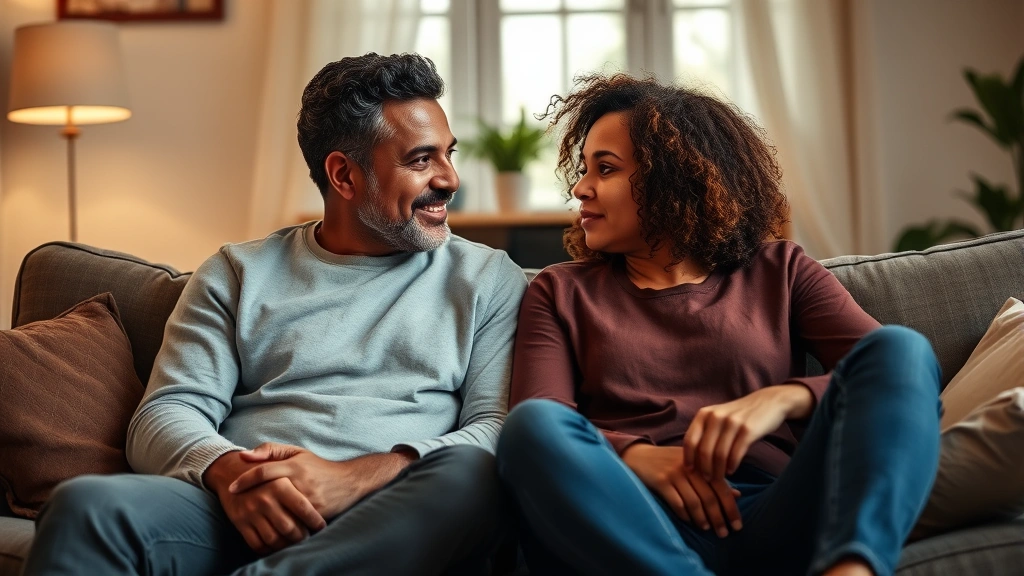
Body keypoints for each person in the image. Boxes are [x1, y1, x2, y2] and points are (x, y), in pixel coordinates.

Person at [24, 53, 528, 576]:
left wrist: (349, 477)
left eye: (448, 154)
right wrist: (229, 472)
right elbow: (164, 413)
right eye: (422, 160)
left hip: (394, 512)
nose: (450, 179)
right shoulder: (237, 272)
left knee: (472, 476)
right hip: (242, 509)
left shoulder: (487, 279)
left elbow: (496, 428)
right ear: (343, 175)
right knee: (87, 507)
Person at [496, 74, 942, 576]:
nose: (580, 188)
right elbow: (542, 419)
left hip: (775, 511)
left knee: (901, 348)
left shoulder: (781, 270)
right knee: (530, 429)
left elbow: (896, 378)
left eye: (606, 168)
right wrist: (637, 457)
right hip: (631, 518)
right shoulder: (559, 291)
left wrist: (782, 398)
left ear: (672, 177)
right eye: (584, 169)